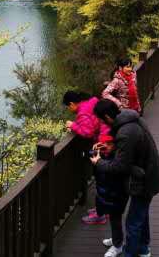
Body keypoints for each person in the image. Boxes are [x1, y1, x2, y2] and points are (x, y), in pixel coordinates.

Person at [92, 99, 159, 257]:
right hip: (149, 173)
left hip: (145, 180)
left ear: (107, 117)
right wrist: (112, 147)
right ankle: (144, 249)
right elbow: (131, 149)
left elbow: (119, 167)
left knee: (132, 222)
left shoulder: (125, 132)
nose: (102, 123)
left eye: (101, 120)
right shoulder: (131, 119)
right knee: (141, 216)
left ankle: (129, 253)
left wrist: (99, 162)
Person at [62, 91, 112, 224]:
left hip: (103, 146)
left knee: (101, 181)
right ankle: (102, 209)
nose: (69, 109)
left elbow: (88, 132)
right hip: (108, 141)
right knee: (104, 181)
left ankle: (101, 214)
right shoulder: (92, 102)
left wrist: (72, 125)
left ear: (72, 104)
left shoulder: (83, 112)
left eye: (68, 107)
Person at [88, 132, 129, 257]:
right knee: (113, 219)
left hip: (117, 195)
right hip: (110, 195)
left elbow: (112, 170)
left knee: (115, 218)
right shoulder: (107, 155)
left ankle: (118, 246)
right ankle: (117, 239)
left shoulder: (118, 158)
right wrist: (97, 154)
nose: (106, 146)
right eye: (104, 144)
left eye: (109, 144)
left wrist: (99, 161)